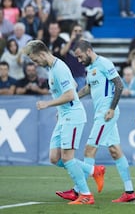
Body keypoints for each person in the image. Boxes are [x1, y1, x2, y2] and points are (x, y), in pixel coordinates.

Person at [22, 39, 105, 205]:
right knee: (54, 158)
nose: (34, 63)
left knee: (67, 158)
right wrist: (60, 110)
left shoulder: (59, 68)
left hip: (73, 116)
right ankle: (93, 170)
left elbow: (69, 95)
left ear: (42, 53)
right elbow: (73, 84)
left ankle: (86, 195)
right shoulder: (52, 68)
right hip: (64, 115)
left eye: (34, 58)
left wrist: (48, 104)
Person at [56, 40, 135, 203]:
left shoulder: (104, 63)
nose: (79, 60)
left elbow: (119, 85)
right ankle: (129, 192)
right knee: (115, 151)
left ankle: (79, 191)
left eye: (80, 56)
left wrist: (112, 108)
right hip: (102, 113)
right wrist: (72, 101)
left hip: (106, 113)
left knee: (89, 150)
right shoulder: (91, 68)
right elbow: (88, 88)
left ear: (88, 51)